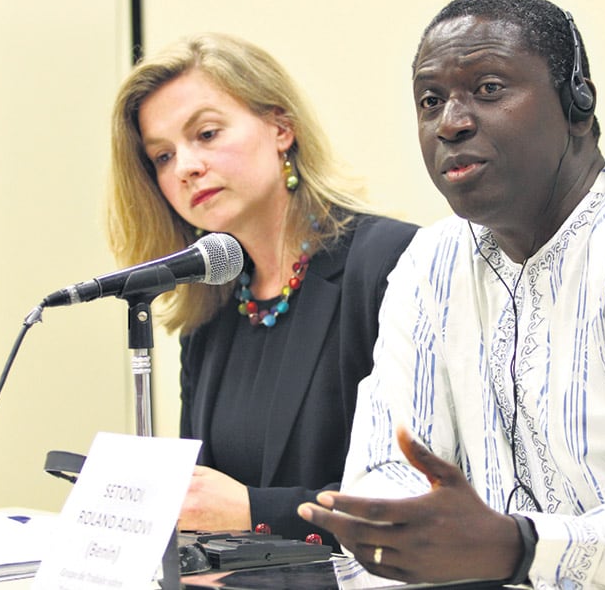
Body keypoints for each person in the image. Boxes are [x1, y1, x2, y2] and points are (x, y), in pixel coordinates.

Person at [298, 0, 605, 587]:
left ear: (578, 103)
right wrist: (399, 526)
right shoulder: (431, 261)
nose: (451, 122)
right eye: (430, 100)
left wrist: (523, 546)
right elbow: (388, 474)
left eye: (489, 89)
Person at [106, 32, 417, 545]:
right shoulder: (210, 312)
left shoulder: (390, 264)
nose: (185, 167)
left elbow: (424, 498)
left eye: (205, 134)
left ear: (281, 128)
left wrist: (254, 508)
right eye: (162, 157)